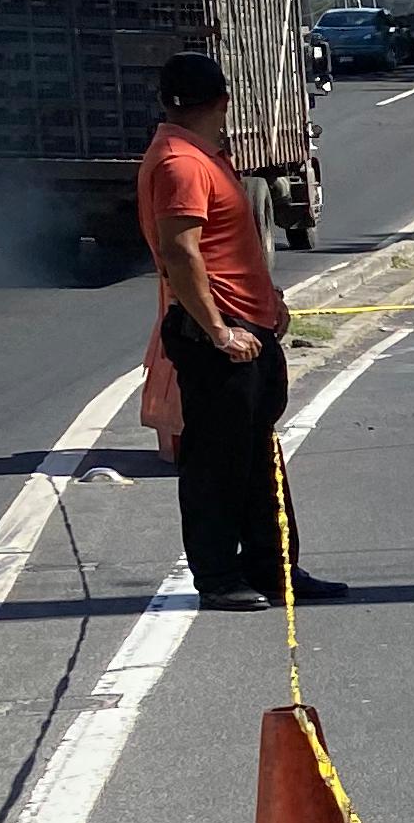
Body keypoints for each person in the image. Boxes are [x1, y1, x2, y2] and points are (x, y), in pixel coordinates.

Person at [137, 50, 343, 612]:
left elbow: (223, 250)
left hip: (245, 329)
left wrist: (266, 302)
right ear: (224, 100)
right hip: (219, 338)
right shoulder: (180, 162)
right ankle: (220, 576)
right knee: (215, 464)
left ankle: (274, 570)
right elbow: (181, 255)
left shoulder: (202, 155)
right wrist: (220, 331)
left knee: (255, 458)